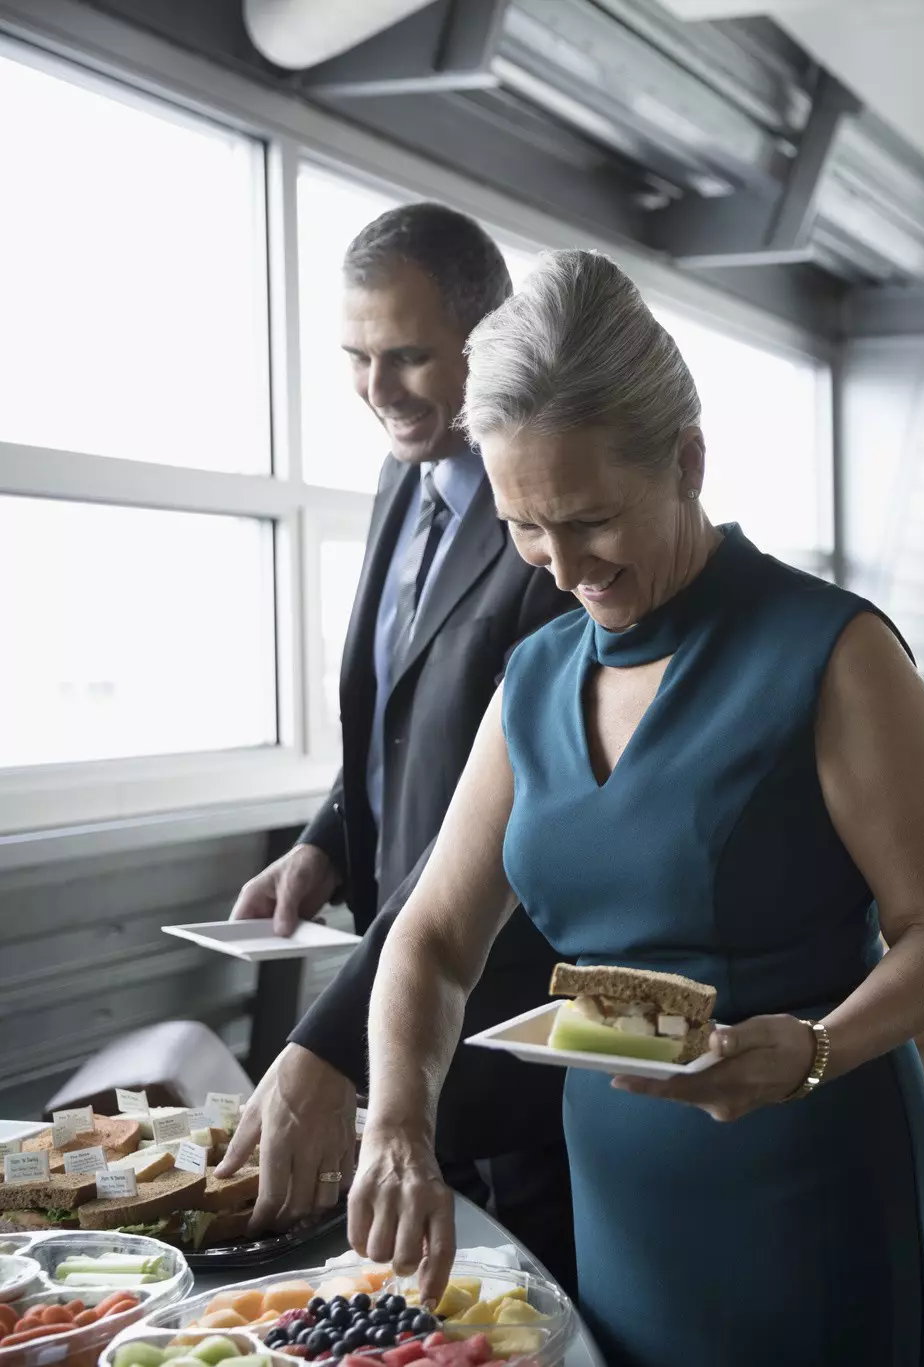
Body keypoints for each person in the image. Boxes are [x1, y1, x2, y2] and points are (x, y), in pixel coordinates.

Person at [345, 249, 924, 1367]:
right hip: (617, 1177)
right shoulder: (535, 676)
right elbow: (437, 935)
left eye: (589, 518)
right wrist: (398, 1117)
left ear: (686, 460)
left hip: (810, 1165)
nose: (560, 565)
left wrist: (820, 1048)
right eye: (523, 526)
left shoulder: (833, 653)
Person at [220, 205, 578, 1286]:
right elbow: (397, 718)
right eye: (357, 357)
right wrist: (326, 843)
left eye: (410, 355)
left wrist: (324, 1042)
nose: (378, 387)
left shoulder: (548, 527)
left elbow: (502, 794)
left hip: (509, 1012)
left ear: (491, 338)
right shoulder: (402, 477)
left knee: (540, 1300)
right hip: (403, 1006)